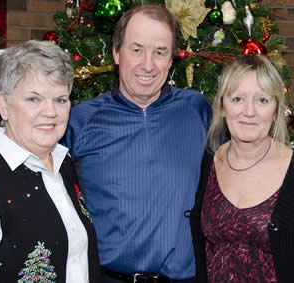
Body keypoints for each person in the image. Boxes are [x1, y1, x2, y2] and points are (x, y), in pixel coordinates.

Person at [63, 4, 212, 283]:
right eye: (137, 49)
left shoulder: (199, 111)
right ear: (117, 53)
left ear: (172, 59)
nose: (148, 64)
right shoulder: (78, 122)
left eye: (160, 52)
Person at [0, 40, 102, 282]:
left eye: (60, 100)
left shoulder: (63, 163)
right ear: (3, 105)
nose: (50, 112)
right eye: (34, 99)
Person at [189, 55, 294, 282]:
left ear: (276, 110)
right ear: (223, 106)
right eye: (238, 99)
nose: (249, 112)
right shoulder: (210, 161)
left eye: (262, 100)